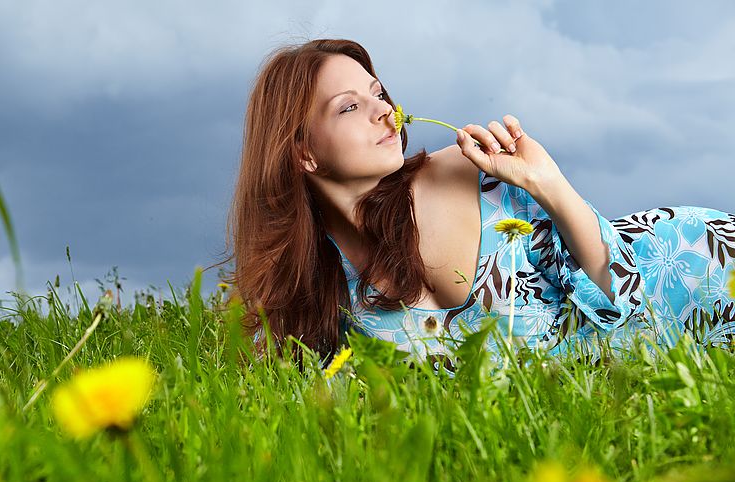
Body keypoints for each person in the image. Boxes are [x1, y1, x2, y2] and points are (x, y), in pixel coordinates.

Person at [211, 38, 735, 376]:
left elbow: (621, 288)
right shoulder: (325, 295)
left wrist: (548, 183)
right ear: (303, 152)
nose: (383, 112)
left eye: (377, 93)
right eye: (349, 106)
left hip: (695, 268)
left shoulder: (461, 171)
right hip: (638, 374)